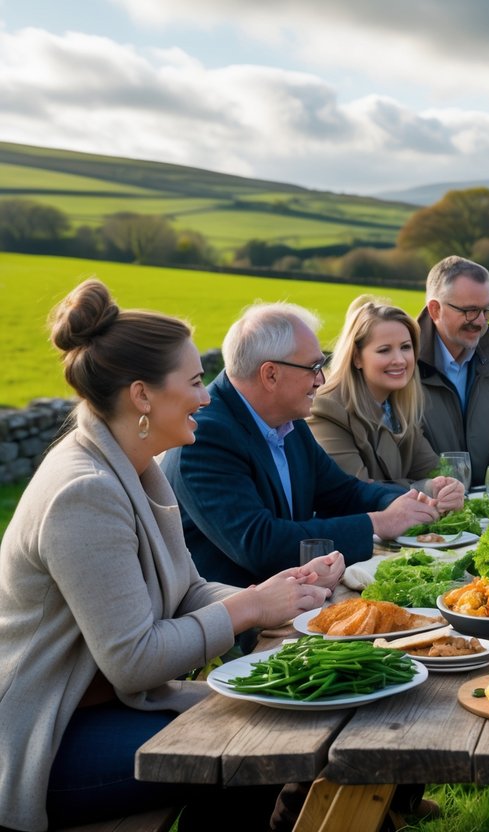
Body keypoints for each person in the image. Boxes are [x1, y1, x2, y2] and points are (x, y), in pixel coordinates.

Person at [0, 280, 334, 831]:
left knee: (275, 716)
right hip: (45, 740)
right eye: (196, 381)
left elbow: (185, 589)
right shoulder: (82, 492)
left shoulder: (136, 464)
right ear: (142, 396)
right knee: (255, 746)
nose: (208, 397)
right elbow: (132, 659)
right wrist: (248, 609)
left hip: (107, 711)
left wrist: (288, 598)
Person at [161, 302, 440, 588]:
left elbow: (341, 492)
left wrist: (402, 502)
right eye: (314, 367)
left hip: (294, 598)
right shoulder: (206, 437)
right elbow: (260, 544)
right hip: (238, 624)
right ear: (270, 374)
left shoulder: (286, 421)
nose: (320, 379)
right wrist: (377, 523)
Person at [308, 294, 464, 509]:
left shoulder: (400, 407)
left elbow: (435, 472)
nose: (400, 360)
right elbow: (356, 492)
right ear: (356, 357)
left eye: (406, 347)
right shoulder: (328, 410)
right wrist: (423, 487)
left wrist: (449, 488)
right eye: (384, 350)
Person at [416, 255, 489, 486]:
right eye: (470, 311)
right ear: (435, 310)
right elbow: (406, 446)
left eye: (486, 310)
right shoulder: (404, 364)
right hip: (428, 502)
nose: (480, 322)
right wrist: (450, 494)